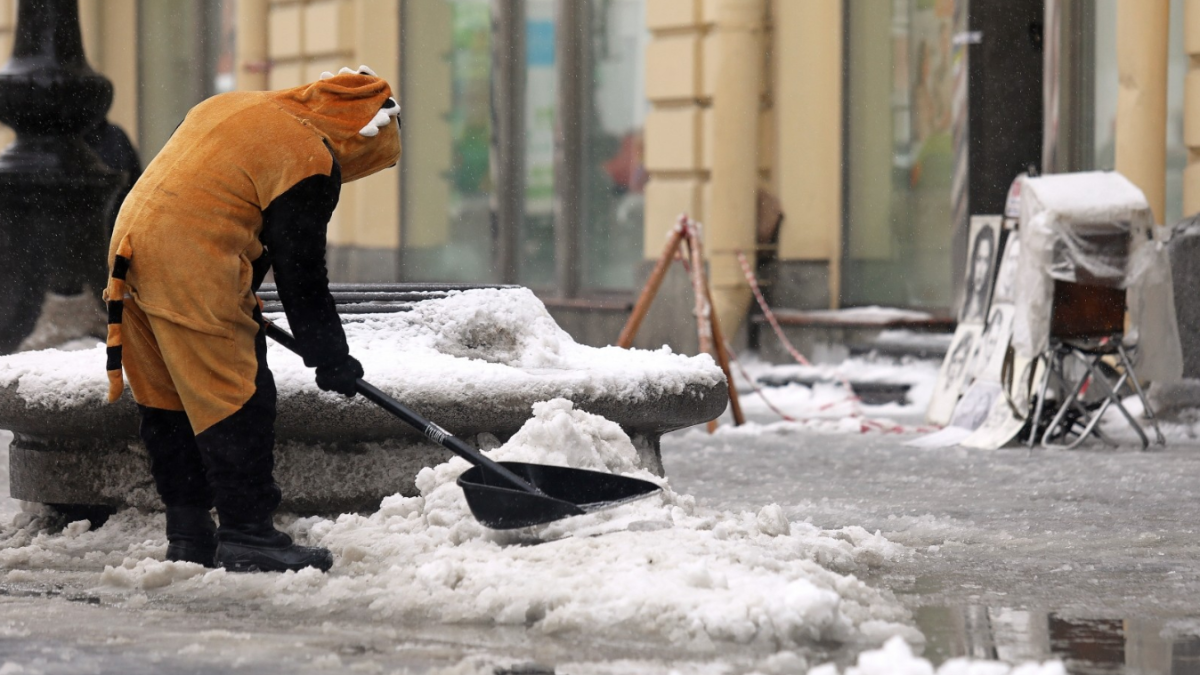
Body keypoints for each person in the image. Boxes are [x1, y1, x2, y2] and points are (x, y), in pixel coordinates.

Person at [103, 66, 402, 573]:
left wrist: (241, 289)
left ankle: (189, 534)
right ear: (361, 137)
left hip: (127, 252)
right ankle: (248, 534)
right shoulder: (309, 155)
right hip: (190, 262)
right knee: (238, 395)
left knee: (169, 400)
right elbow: (301, 270)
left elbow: (212, 195)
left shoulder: (232, 106)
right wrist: (331, 357)